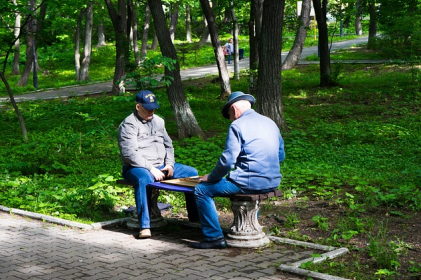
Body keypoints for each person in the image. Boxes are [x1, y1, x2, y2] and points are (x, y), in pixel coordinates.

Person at [189, 91, 285, 249]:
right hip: (273, 181)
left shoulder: (237, 125)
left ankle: (213, 237)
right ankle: (249, 227)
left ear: (233, 108)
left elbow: (227, 161)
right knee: (240, 184)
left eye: (229, 115)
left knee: (201, 190)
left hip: (248, 183)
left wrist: (211, 178)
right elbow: (280, 155)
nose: (231, 119)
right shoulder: (270, 122)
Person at [117, 90, 199, 239]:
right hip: (137, 167)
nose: (151, 111)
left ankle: (195, 219)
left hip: (161, 165)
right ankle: (145, 226)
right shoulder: (128, 125)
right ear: (138, 107)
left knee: (192, 172)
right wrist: (151, 168)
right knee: (143, 180)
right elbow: (129, 154)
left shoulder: (159, 121)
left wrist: (170, 165)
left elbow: (169, 145)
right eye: (148, 108)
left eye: (153, 107)